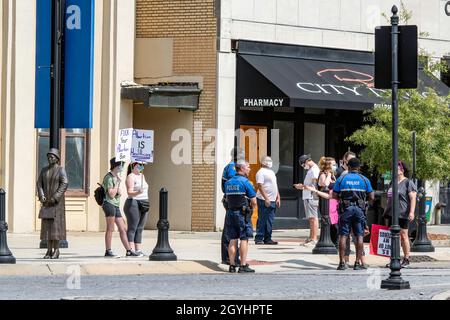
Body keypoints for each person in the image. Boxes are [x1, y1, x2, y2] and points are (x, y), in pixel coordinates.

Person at [333, 157, 374, 270]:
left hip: (345, 209)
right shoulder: (364, 179)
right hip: (359, 209)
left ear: (348, 166)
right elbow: (372, 196)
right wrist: (364, 201)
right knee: (359, 235)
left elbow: (334, 195)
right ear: (359, 167)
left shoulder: (342, 179)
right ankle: (357, 263)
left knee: (343, 235)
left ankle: (342, 263)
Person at [224, 160, 257, 273]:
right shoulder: (245, 182)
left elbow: (225, 199)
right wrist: (251, 211)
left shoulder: (228, 182)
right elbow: (254, 201)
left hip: (230, 213)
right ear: (242, 168)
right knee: (244, 238)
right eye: (248, 167)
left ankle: (232, 265)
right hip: (242, 215)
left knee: (232, 239)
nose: (249, 169)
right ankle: (243, 265)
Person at [383, 160, 417, 268]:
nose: (394, 170)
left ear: (402, 170)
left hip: (403, 213)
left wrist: (411, 212)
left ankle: (406, 258)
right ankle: (394, 259)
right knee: (392, 236)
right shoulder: (392, 182)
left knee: (403, 235)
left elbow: (413, 198)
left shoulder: (408, 182)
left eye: (396, 168)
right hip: (391, 213)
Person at [102, 157, 139, 257]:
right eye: (120, 165)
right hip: (109, 204)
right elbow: (111, 194)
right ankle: (108, 250)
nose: (121, 167)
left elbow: (118, 193)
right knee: (110, 228)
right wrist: (118, 183)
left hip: (116, 205)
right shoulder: (109, 177)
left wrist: (118, 185)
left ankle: (129, 250)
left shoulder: (116, 177)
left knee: (122, 228)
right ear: (115, 166)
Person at [37, 148, 68, 259]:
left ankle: (56, 250)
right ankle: (48, 250)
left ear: (57, 158)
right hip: (46, 203)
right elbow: (39, 184)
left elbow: (64, 183)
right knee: (47, 228)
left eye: (52, 157)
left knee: (56, 228)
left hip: (56, 204)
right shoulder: (44, 170)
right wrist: (41, 196)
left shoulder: (61, 170)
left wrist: (56, 197)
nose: (50, 158)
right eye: (49, 157)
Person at [220, 147, 244, 265]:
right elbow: (233, 184)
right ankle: (230, 257)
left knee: (231, 230)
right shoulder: (233, 167)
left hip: (230, 200)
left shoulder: (229, 166)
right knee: (231, 231)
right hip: (233, 201)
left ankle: (231, 257)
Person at [124, 162, 150, 257]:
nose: (141, 167)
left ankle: (138, 249)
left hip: (144, 203)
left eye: (142, 165)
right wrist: (138, 192)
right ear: (133, 165)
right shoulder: (131, 176)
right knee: (132, 227)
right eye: (139, 165)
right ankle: (130, 250)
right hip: (133, 202)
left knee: (140, 227)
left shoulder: (142, 176)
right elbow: (129, 192)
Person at [294, 154, 320, 247]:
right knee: (311, 218)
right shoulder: (311, 170)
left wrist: (302, 186)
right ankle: (311, 237)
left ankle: (314, 239)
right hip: (308, 196)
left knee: (313, 218)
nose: (303, 167)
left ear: (306, 162)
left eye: (303, 165)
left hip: (311, 196)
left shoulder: (314, 170)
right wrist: (303, 186)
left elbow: (314, 186)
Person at [255, 156, 280, 245]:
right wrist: (266, 198)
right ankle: (259, 238)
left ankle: (268, 238)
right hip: (263, 199)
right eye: (267, 161)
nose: (269, 162)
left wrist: (278, 197)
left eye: (270, 160)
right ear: (262, 162)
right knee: (262, 219)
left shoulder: (272, 172)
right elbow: (260, 186)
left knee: (270, 220)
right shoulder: (260, 172)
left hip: (273, 200)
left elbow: (275, 185)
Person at [317, 157, 339, 245]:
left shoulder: (333, 175)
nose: (335, 166)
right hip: (327, 202)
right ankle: (331, 241)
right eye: (333, 164)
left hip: (334, 201)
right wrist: (329, 174)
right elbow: (325, 184)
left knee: (335, 222)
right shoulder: (323, 175)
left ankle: (335, 241)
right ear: (328, 166)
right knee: (329, 222)